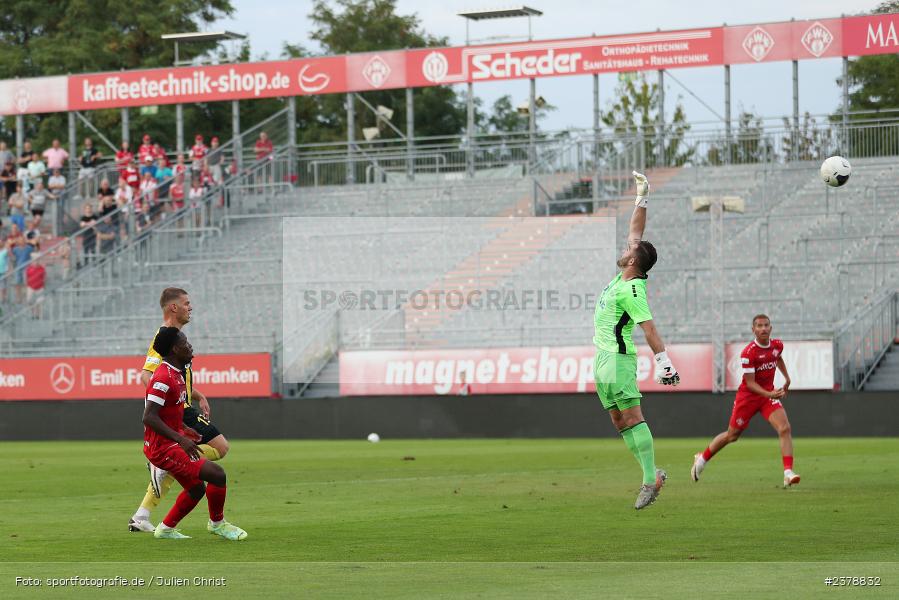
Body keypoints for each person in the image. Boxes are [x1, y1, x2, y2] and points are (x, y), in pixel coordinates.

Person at [593, 171, 678, 510]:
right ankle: (650, 473)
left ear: (632, 260)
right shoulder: (625, 274)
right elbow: (636, 231)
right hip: (602, 358)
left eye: (628, 249)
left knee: (632, 416)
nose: (625, 246)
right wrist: (642, 196)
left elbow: (650, 329)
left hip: (619, 358)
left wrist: (664, 361)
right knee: (617, 420)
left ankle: (649, 479)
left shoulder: (632, 289)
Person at [129, 288, 231, 533]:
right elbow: (147, 375)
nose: (190, 307)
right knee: (220, 449)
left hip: (181, 404)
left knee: (196, 468)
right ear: (173, 308)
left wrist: (197, 394)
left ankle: (143, 514)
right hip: (177, 411)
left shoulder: (177, 337)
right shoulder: (166, 336)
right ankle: (165, 468)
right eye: (186, 303)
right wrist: (169, 401)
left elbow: (176, 377)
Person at [141, 326, 246, 540]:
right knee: (217, 474)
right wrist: (180, 438)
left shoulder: (177, 374)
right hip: (163, 448)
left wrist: (184, 430)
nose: (189, 345)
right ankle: (217, 524)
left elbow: (171, 412)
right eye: (184, 343)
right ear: (174, 349)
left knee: (196, 489)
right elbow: (149, 416)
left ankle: (165, 529)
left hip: (171, 443)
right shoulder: (162, 377)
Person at [691, 315, 799, 487]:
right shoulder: (748, 353)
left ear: (771, 328)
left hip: (766, 398)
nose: (763, 328)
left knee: (784, 428)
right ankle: (702, 458)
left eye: (766, 325)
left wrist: (787, 378)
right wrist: (769, 394)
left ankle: (788, 472)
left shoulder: (777, 345)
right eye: (759, 326)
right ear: (753, 330)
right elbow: (750, 383)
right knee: (732, 435)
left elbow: (777, 358)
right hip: (748, 398)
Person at [25, 252, 45, 319]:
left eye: (37, 260)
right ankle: (32, 313)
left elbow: (44, 278)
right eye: (34, 260)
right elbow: (26, 277)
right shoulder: (29, 268)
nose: (36, 262)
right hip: (30, 287)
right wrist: (26, 286)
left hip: (40, 287)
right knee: (29, 300)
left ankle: (38, 314)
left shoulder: (42, 268)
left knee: (39, 302)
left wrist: (43, 286)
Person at [78, 202, 98, 267]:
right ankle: (86, 263)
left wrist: (86, 224)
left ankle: (94, 263)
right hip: (86, 235)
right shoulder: (83, 217)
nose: (88, 209)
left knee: (93, 250)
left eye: (89, 208)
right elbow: (81, 225)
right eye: (87, 208)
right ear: (85, 210)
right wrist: (90, 224)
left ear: (91, 209)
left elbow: (96, 225)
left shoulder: (95, 216)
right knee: (85, 250)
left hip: (93, 235)